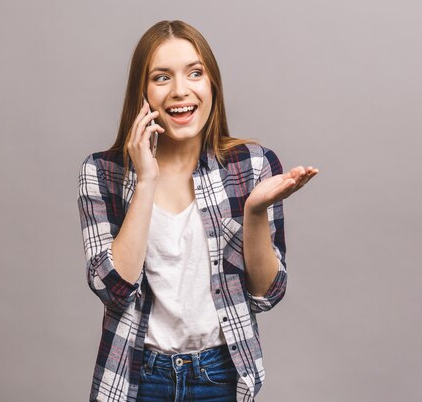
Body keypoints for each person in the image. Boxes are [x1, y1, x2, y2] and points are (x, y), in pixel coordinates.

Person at [77, 20, 318, 402]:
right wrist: (145, 180)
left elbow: (267, 293)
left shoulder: (252, 166)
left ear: (212, 85)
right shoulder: (102, 173)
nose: (180, 91)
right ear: (142, 93)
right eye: (161, 77)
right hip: (137, 376)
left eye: (194, 73)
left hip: (221, 375)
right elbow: (114, 290)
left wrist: (255, 212)